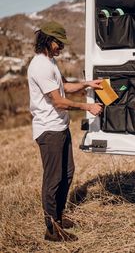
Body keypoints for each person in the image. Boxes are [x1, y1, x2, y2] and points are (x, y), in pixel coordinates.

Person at [27, 21, 103, 242]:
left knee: (67, 173)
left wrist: (88, 84)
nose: (61, 47)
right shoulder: (40, 66)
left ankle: (58, 217)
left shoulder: (50, 62)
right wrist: (87, 107)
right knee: (53, 180)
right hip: (49, 130)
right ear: (48, 41)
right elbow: (59, 101)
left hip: (60, 127)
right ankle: (52, 230)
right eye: (58, 43)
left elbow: (64, 87)